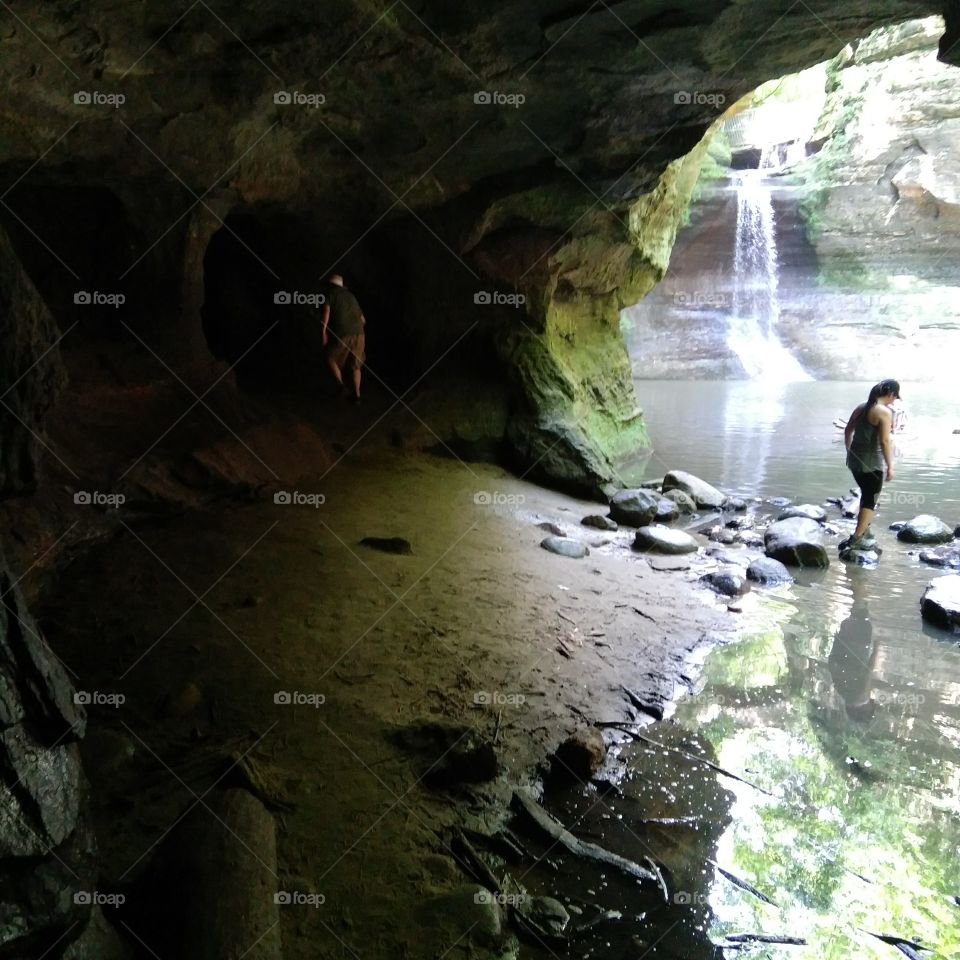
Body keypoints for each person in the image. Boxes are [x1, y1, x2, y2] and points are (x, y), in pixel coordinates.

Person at [841, 378, 899, 551]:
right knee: (870, 499)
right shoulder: (883, 412)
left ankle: (863, 530)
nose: (894, 401)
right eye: (895, 397)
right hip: (871, 463)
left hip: (854, 461)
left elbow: (848, 430)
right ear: (890, 394)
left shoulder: (861, 406)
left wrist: (849, 450)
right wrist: (890, 466)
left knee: (866, 494)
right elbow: (884, 441)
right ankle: (857, 537)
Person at [321, 273, 366, 403]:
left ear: (330, 285)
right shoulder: (351, 296)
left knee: (330, 357)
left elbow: (326, 313)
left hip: (343, 332)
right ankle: (357, 395)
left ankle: (341, 386)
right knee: (356, 365)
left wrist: (323, 331)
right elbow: (363, 320)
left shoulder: (330, 294)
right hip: (359, 333)